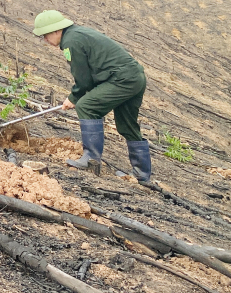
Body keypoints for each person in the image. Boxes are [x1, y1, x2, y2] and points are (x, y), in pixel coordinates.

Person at [33, 10, 151, 182]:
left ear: (56, 31)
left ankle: (91, 159)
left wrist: (73, 98)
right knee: (126, 125)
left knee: (86, 106)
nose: (45, 40)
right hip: (135, 77)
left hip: (123, 79)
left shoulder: (71, 41)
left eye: (45, 35)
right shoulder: (78, 34)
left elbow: (84, 79)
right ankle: (142, 175)